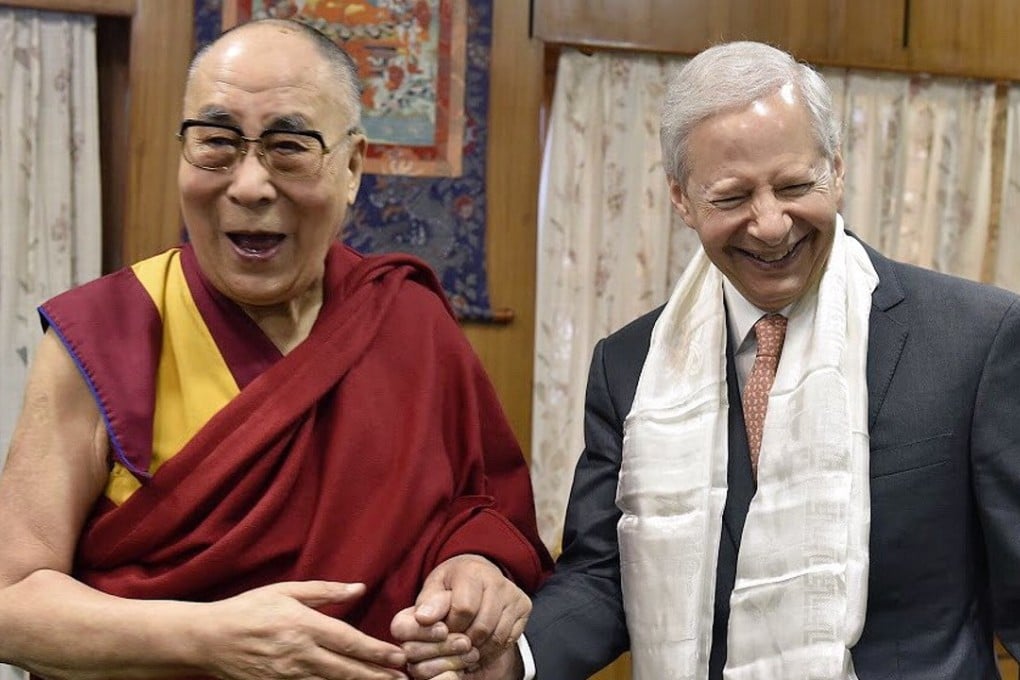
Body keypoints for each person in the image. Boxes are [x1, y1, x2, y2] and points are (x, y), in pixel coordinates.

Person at [444, 40, 1020, 680]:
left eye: (797, 185)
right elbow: (605, 574)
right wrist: (514, 662)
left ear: (837, 169)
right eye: (731, 197)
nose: (771, 225)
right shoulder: (630, 366)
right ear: (681, 199)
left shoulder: (973, 337)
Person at [0, 18, 551, 680]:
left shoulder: (409, 321)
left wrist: (473, 570)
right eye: (216, 143)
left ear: (351, 168)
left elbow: (481, 512)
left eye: (289, 146)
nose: (251, 185)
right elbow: (10, 601)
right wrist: (208, 637)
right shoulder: (107, 335)